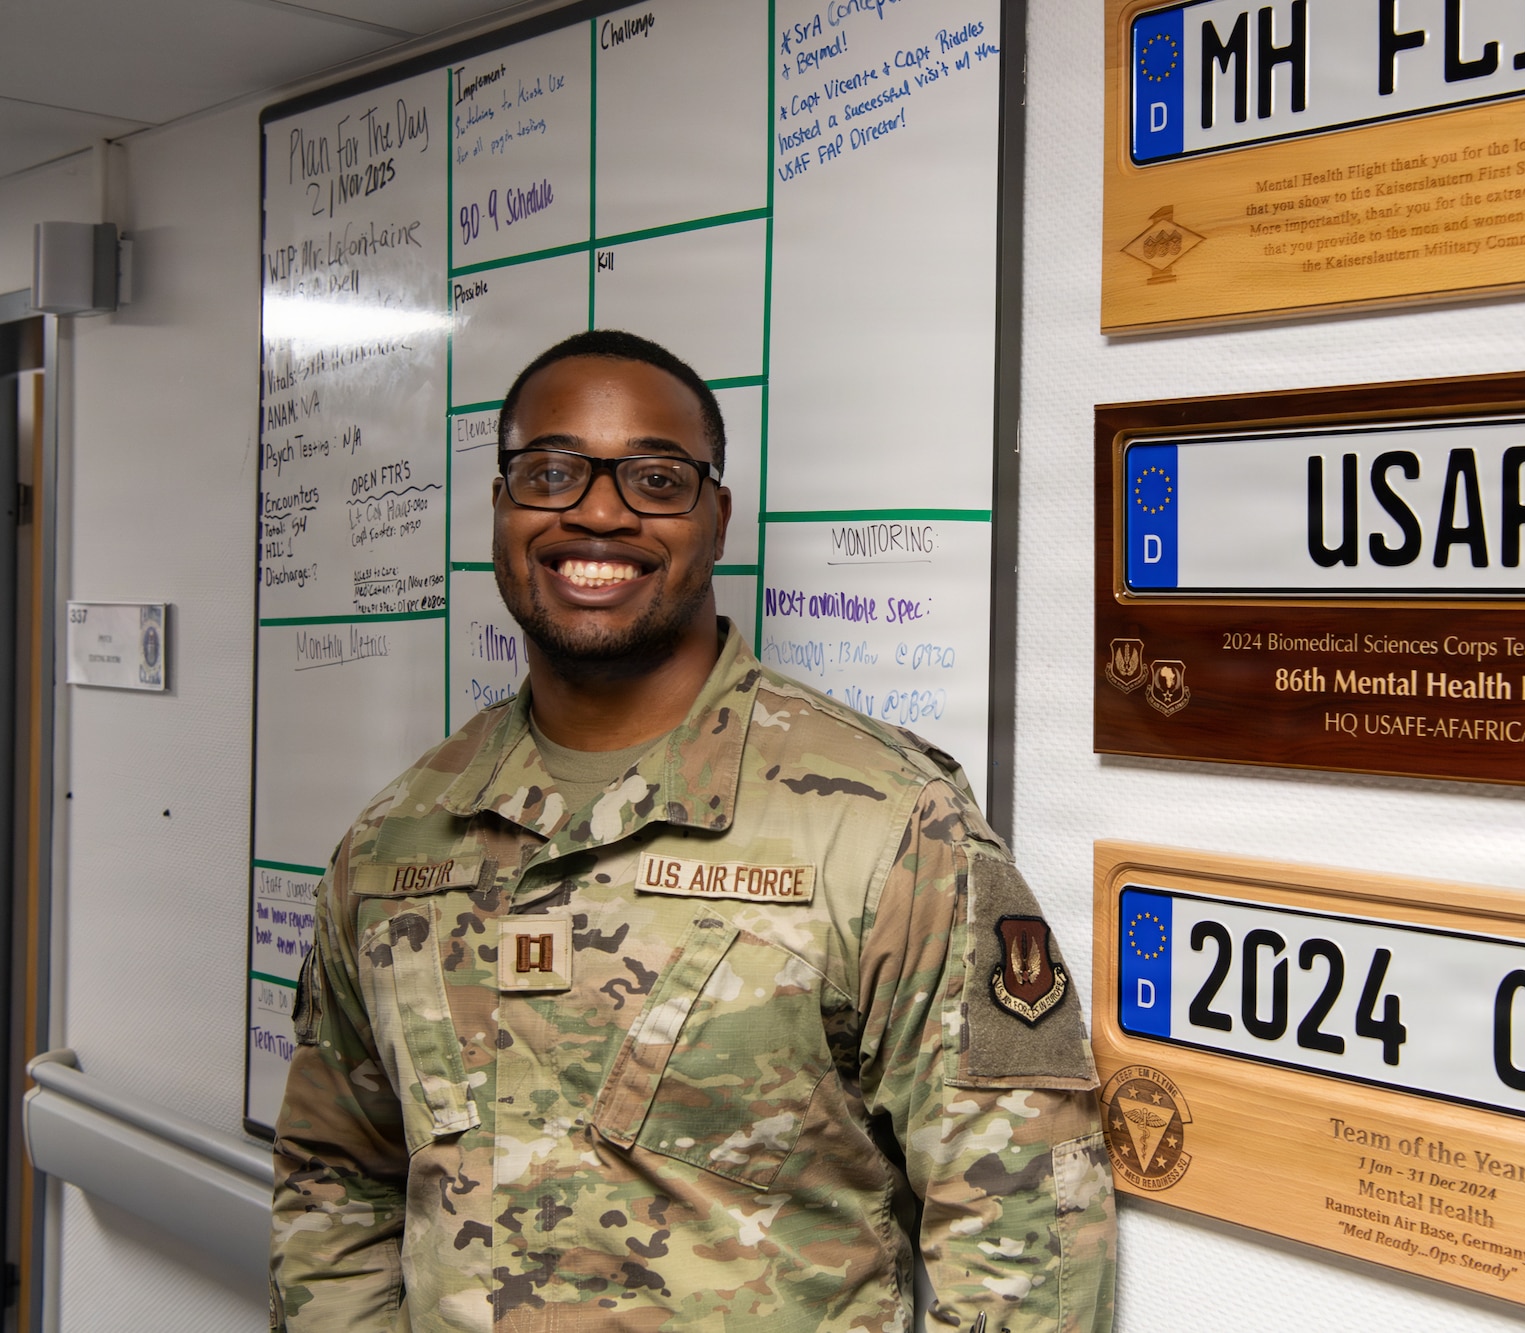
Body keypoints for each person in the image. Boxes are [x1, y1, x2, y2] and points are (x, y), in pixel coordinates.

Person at [270, 330, 1116, 1331]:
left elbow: (1024, 1236)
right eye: (549, 472)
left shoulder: (886, 824)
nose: (595, 510)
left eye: (654, 479)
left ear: (715, 518)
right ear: (501, 509)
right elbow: (337, 1185)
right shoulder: (397, 839)